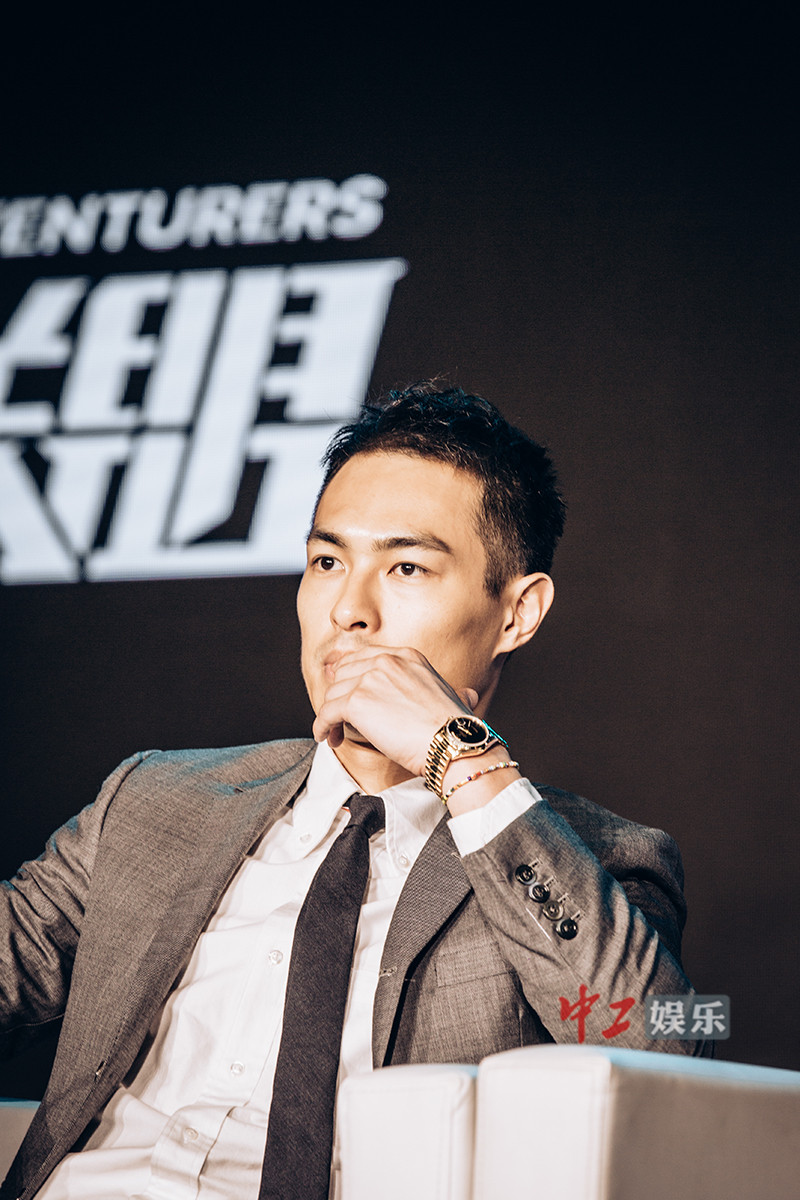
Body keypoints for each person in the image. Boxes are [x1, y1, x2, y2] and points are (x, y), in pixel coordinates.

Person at [0, 384, 705, 1200]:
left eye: (406, 567)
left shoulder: (594, 858)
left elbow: (671, 1046)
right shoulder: (156, 802)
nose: (348, 611)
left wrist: (461, 758)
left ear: (518, 613)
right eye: (328, 562)